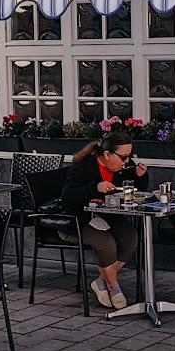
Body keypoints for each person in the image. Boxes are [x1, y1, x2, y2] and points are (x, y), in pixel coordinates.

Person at [60, 129, 150, 310]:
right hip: (80, 219)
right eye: (123, 157)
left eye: (129, 157)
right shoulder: (84, 166)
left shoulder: (124, 166)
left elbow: (133, 189)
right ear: (107, 154)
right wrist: (96, 187)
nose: (127, 162)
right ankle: (113, 286)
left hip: (108, 216)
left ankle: (101, 281)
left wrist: (140, 177)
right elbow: (68, 196)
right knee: (107, 244)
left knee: (130, 238)